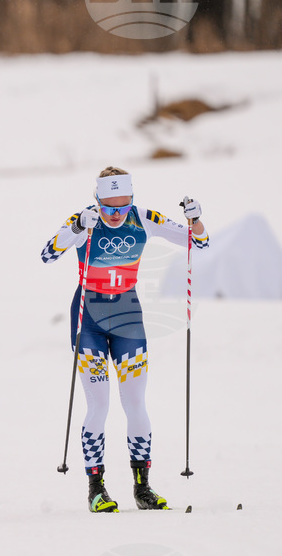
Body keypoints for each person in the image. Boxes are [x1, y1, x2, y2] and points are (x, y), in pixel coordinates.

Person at [41, 167, 208, 512]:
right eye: (108, 207)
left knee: (136, 404)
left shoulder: (144, 217)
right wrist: (76, 229)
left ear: (131, 199)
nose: (116, 214)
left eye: (123, 205)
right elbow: (47, 254)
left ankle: (142, 488)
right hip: (88, 318)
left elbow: (198, 243)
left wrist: (196, 222)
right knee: (99, 405)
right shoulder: (84, 219)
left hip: (128, 317)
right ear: (97, 200)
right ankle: (96, 488)